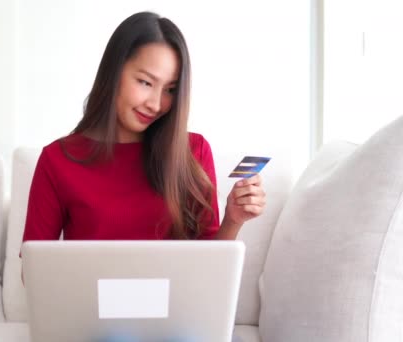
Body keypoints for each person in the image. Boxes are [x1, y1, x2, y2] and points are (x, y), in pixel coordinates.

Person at [21, 11, 264, 342]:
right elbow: (34, 274)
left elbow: (209, 266)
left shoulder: (192, 151)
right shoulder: (58, 160)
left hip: (177, 326)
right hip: (96, 328)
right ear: (114, 72)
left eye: (170, 89)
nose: (156, 103)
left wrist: (233, 220)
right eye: (145, 82)